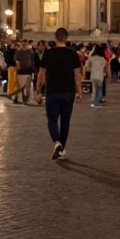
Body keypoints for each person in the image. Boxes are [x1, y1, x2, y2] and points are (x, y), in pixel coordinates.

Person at [37, 28, 83, 160]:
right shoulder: (72, 54)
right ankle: (62, 148)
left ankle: (56, 142)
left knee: (51, 119)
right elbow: (77, 75)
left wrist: (38, 91)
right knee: (65, 121)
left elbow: (41, 74)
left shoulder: (48, 54)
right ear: (66, 38)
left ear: (55, 38)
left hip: (52, 91)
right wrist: (79, 92)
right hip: (68, 92)